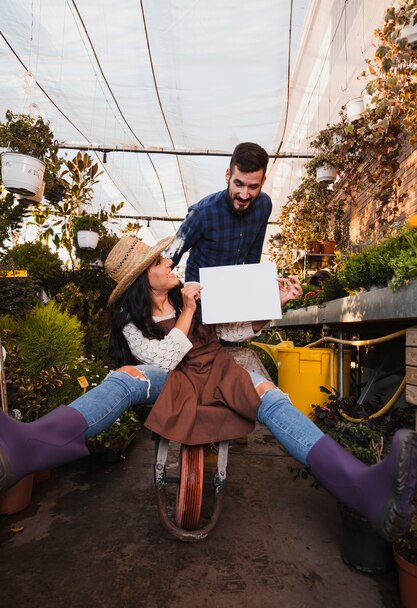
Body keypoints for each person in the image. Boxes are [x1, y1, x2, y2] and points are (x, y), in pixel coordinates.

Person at [0, 235, 416, 544]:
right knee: (128, 375)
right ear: (146, 278)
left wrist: (278, 302)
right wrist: (190, 310)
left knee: (270, 395)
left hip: (218, 367)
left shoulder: (192, 293)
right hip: (174, 378)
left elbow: (233, 331)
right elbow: (161, 360)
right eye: (161, 260)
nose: (169, 261)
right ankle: (31, 445)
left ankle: (362, 487)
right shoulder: (136, 321)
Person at [165, 142, 272, 282]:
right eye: (238, 184)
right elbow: (170, 257)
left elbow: (253, 258)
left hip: (233, 288)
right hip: (199, 294)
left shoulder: (263, 206)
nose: (244, 195)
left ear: (263, 181)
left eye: (253, 187)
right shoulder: (201, 213)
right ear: (228, 175)